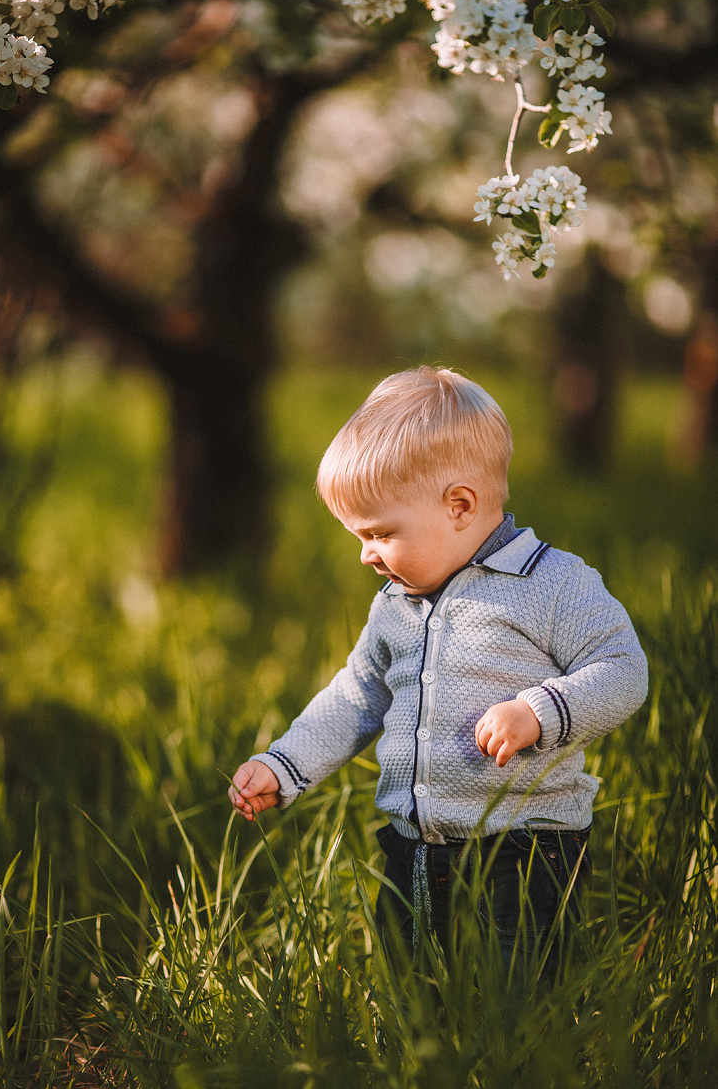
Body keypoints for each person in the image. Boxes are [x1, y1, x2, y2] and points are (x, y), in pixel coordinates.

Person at [228, 367, 648, 979]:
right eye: (360, 536)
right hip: (415, 850)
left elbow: (622, 669)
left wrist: (541, 711)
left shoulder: (553, 583)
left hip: (525, 846)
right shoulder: (395, 608)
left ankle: (515, 1070)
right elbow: (355, 697)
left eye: (380, 533)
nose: (367, 554)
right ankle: (420, 1067)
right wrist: (284, 764)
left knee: (517, 986)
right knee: (412, 984)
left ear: (459, 506)